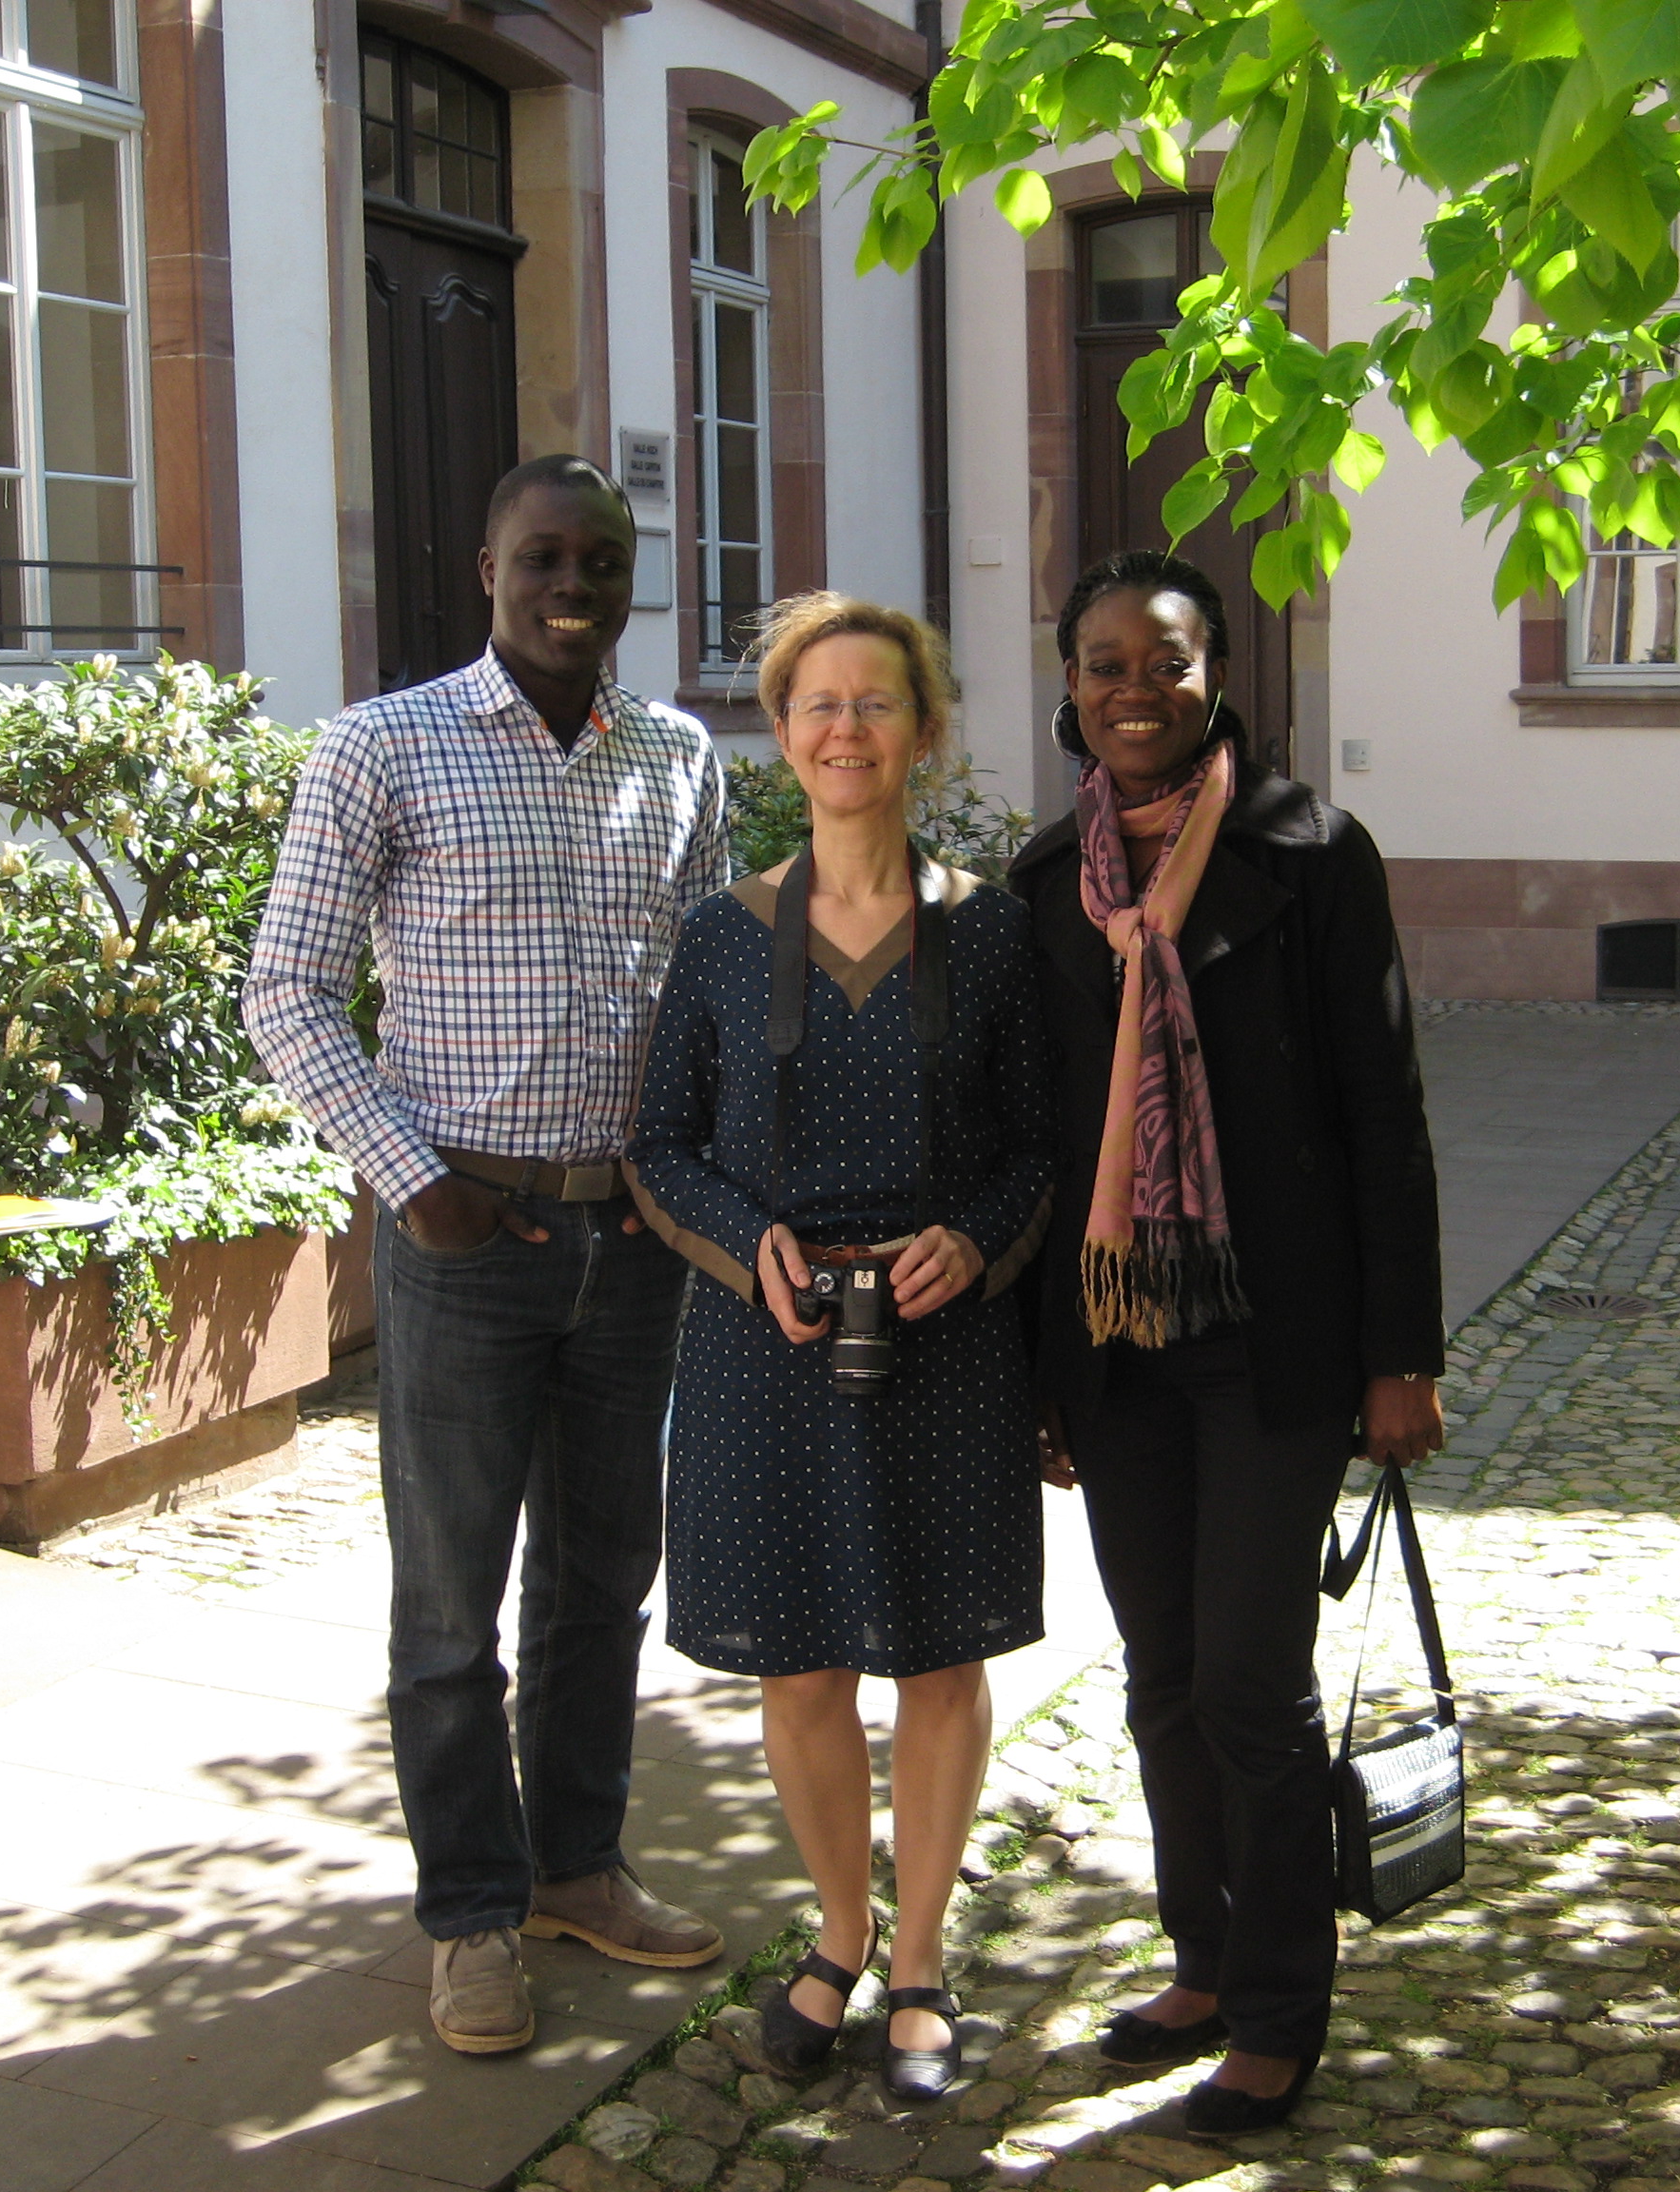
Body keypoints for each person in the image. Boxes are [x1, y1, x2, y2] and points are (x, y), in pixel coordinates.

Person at [245, 455, 730, 2057]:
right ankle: (468, 1916)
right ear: (486, 567)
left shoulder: (679, 756)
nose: (572, 583)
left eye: (602, 557)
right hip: (468, 1242)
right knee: (451, 1610)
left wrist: (699, 1190)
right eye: (543, 556)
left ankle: (575, 1866)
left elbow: (705, 1002)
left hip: (633, 1242)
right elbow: (288, 991)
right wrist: (414, 1179)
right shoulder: (383, 749)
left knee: (602, 1586)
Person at [1007, 550, 1445, 2136]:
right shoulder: (1043, 882)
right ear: (1069, 683)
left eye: (1167, 662)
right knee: (1161, 1671)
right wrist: (1041, 1374)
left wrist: (1404, 1355)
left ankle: (1276, 2006)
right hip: (1118, 1346)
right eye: (1106, 663)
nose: (1136, 689)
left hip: (1279, 1339)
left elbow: (1381, 1114)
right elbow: (1040, 1150)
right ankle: (1201, 1956)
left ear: (1216, 676)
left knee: (1253, 1680)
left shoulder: (1313, 856)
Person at [627, 593, 1053, 2101]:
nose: (846, 729)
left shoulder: (994, 933)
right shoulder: (721, 939)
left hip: (947, 1345)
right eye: (818, 703)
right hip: (766, 1345)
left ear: (924, 730)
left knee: (939, 1664)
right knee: (799, 1668)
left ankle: (924, 1959)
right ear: (783, 731)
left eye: (877, 703)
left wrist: (974, 1241)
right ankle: (838, 1933)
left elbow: (1045, 1155)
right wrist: (754, 1251)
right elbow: (658, 1148)